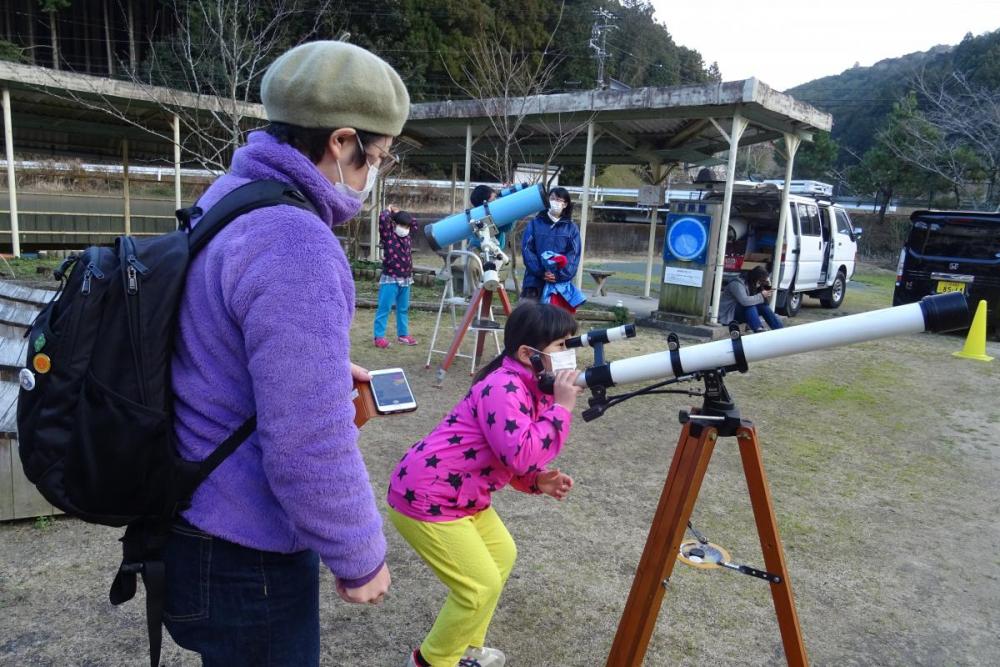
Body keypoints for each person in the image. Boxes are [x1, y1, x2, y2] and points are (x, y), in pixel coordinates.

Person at [165, 41, 408, 665]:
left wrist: (319, 373)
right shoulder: (296, 241)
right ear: (341, 141)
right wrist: (359, 555)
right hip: (249, 550)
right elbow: (306, 439)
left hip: (188, 515)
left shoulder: (229, 196)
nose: (372, 174)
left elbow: (209, 341)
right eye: (374, 158)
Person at [387, 301, 582, 667]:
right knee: (479, 586)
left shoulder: (530, 386)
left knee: (501, 556)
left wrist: (538, 480)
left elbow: (513, 456)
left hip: (461, 496)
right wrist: (562, 409)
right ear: (528, 353)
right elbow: (520, 452)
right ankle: (429, 662)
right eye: (562, 347)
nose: (569, 356)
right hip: (429, 497)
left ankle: (466, 650)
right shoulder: (503, 386)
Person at [520, 186, 581, 301]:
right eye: (552, 198)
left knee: (555, 317)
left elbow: (574, 255)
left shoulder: (571, 228)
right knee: (528, 315)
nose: (555, 202)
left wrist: (559, 275)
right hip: (534, 282)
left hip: (560, 286)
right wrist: (541, 272)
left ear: (565, 204)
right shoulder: (534, 223)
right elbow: (527, 250)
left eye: (559, 200)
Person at [375, 206, 419, 348]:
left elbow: (415, 224)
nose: (404, 228)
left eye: (406, 226)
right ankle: (379, 337)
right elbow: (382, 219)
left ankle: (403, 335)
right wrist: (389, 211)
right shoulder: (388, 235)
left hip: (406, 279)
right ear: (393, 224)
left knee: (403, 309)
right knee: (384, 308)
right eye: (401, 225)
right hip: (390, 278)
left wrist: (403, 212)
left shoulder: (408, 236)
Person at [718, 265, 784, 332]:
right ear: (755, 278)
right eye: (760, 281)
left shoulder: (752, 284)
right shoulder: (737, 284)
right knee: (750, 305)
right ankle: (758, 328)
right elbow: (745, 301)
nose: (760, 284)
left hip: (741, 312)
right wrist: (761, 295)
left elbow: (766, 303)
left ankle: (779, 330)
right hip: (729, 314)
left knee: (763, 307)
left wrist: (768, 284)